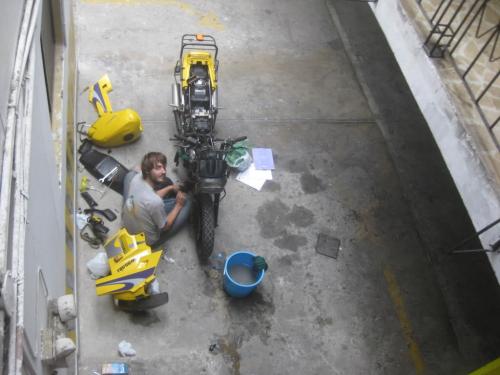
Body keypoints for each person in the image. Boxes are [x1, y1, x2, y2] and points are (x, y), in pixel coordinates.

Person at [122, 152, 191, 247]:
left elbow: (151, 196)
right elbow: (165, 227)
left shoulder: (136, 178)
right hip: (146, 242)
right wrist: (178, 205)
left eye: (164, 167)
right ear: (147, 170)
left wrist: (170, 187)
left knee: (129, 175)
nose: (164, 171)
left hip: (127, 225)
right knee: (188, 202)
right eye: (158, 168)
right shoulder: (155, 202)